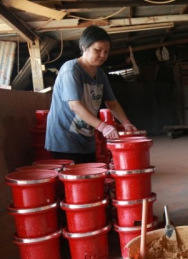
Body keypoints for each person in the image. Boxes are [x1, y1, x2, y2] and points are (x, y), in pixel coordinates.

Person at [45, 26, 137, 163]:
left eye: (106, 52)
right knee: (73, 181)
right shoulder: (71, 70)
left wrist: (126, 122)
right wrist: (103, 126)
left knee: (89, 178)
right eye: (98, 50)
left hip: (86, 137)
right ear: (84, 47)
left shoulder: (100, 74)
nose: (103, 55)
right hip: (65, 140)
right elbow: (75, 106)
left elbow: (111, 103)